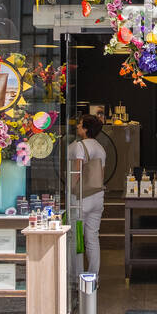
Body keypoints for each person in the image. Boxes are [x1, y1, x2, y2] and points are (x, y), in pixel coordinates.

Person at [69, 114, 107, 278]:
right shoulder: (101, 148)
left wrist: (71, 189)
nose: (77, 126)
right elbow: (101, 175)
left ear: (85, 129)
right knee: (92, 238)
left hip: (81, 198)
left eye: (80, 124)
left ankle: (77, 277)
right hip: (97, 197)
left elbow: (76, 173)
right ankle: (93, 277)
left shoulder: (80, 146)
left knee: (76, 237)